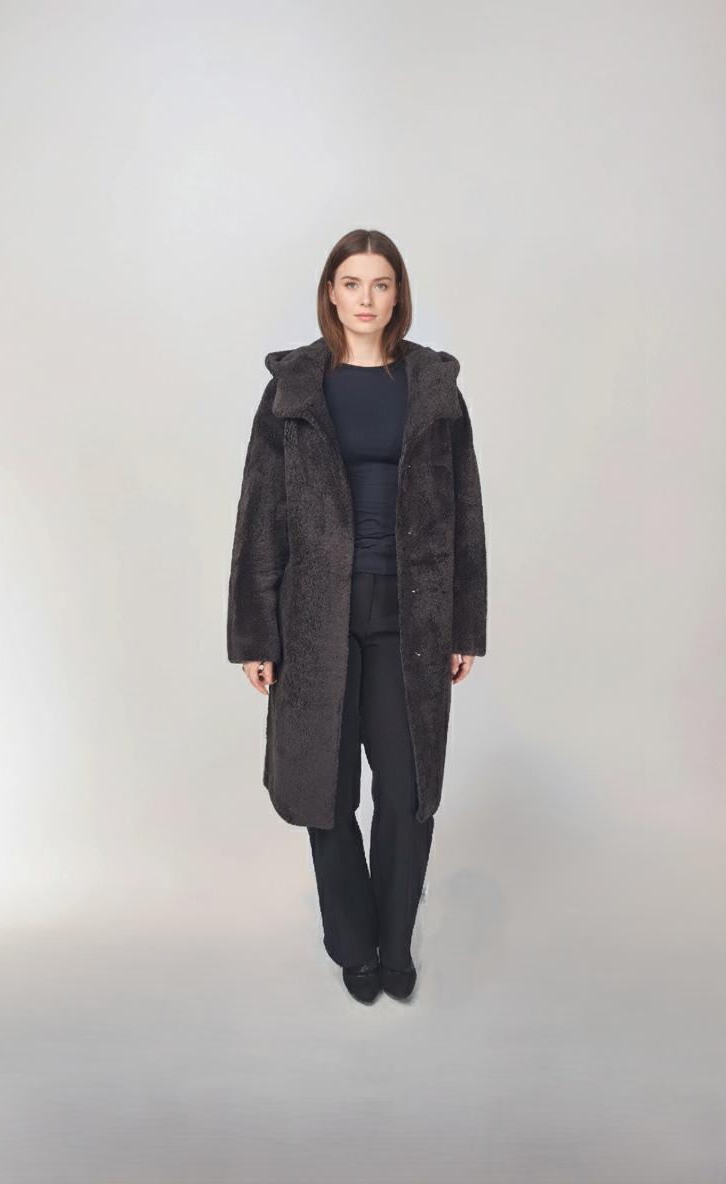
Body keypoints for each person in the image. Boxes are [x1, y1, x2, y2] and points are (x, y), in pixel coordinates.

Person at [227, 228, 487, 1004]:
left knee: (406, 791)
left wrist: (465, 625)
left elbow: (466, 511)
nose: (366, 298)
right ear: (331, 294)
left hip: (412, 614)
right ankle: (351, 943)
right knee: (326, 788)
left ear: (397, 294)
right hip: (316, 615)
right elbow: (260, 515)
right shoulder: (293, 392)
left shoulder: (434, 389)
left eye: (380, 283)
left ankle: (395, 940)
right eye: (351, 283)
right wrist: (255, 635)